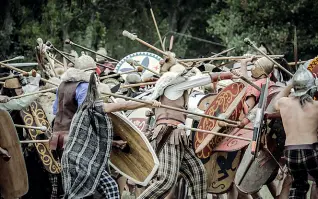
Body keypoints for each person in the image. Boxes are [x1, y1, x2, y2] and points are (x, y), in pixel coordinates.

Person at [61, 72, 160, 199]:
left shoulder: (87, 113)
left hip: (76, 158)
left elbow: (92, 139)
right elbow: (122, 105)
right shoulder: (92, 106)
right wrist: (146, 103)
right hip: (81, 159)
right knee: (106, 189)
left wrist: (114, 143)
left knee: (91, 193)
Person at [138, 52, 207, 199]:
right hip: (168, 136)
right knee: (166, 181)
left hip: (179, 138)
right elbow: (199, 80)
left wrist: (216, 116)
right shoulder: (172, 88)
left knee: (198, 172)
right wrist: (223, 75)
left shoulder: (180, 93)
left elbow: (193, 112)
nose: (185, 77)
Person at [274, 65, 318, 198]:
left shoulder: (283, 103)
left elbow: (275, 101)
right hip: (310, 149)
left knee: (298, 186)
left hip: (290, 151)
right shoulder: (316, 106)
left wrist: (290, 84)